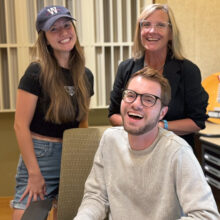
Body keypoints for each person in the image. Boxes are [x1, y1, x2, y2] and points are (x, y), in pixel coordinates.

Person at [74, 67, 220, 220]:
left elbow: (206, 216)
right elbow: (96, 196)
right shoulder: (110, 140)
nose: (136, 104)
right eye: (130, 95)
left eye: (148, 99)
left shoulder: (178, 152)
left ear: (162, 113)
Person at [11, 5, 94, 220]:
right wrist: (34, 173)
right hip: (41, 155)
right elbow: (20, 125)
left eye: (67, 25)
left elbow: (82, 124)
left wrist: (83, 157)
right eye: (54, 29)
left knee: (68, 215)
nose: (64, 32)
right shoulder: (36, 72)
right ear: (45, 39)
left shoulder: (86, 75)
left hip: (72, 152)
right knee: (29, 216)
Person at [108, 3, 208, 149]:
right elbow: (113, 115)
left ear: (170, 33)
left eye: (160, 25)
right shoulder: (125, 68)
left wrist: (159, 126)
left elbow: (197, 122)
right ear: (139, 31)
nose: (152, 31)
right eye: (146, 24)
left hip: (174, 152)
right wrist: (140, 125)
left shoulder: (188, 71)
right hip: (134, 149)